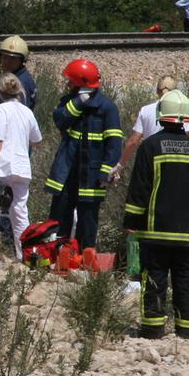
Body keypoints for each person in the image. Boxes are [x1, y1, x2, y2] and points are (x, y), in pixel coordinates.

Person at [123, 90, 189, 339]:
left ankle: (153, 328)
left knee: (155, 277)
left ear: (161, 116)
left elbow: (139, 188)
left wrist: (130, 222)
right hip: (187, 233)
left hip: (155, 231)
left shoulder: (150, 146)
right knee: (185, 279)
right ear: (187, 119)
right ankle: (185, 329)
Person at [44, 58, 121, 250]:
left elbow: (114, 143)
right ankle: (56, 253)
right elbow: (60, 119)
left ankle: (84, 258)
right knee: (59, 215)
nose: (68, 84)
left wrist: (106, 173)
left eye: (71, 81)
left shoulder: (107, 108)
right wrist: (79, 101)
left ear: (80, 82)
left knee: (88, 219)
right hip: (67, 171)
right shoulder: (70, 102)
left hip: (92, 174)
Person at [0, 73, 43, 256]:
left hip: (2, 164)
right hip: (21, 166)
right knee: (19, 210)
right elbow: (37, 140)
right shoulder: (27, 112)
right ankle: (25, 253)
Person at [112, 76, 189, 185]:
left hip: (151, 160)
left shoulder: (146, 110)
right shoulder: (182, 110)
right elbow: (187, 136)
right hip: (175, 163)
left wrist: (120, 164)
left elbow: (133, 142)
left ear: (157, 90)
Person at [0, 35, 37, 109]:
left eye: (13, 58)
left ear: (21, 61)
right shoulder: (18, 77)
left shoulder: (19, 83)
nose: (7, 62)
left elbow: (20, 115)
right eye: (5, 57)